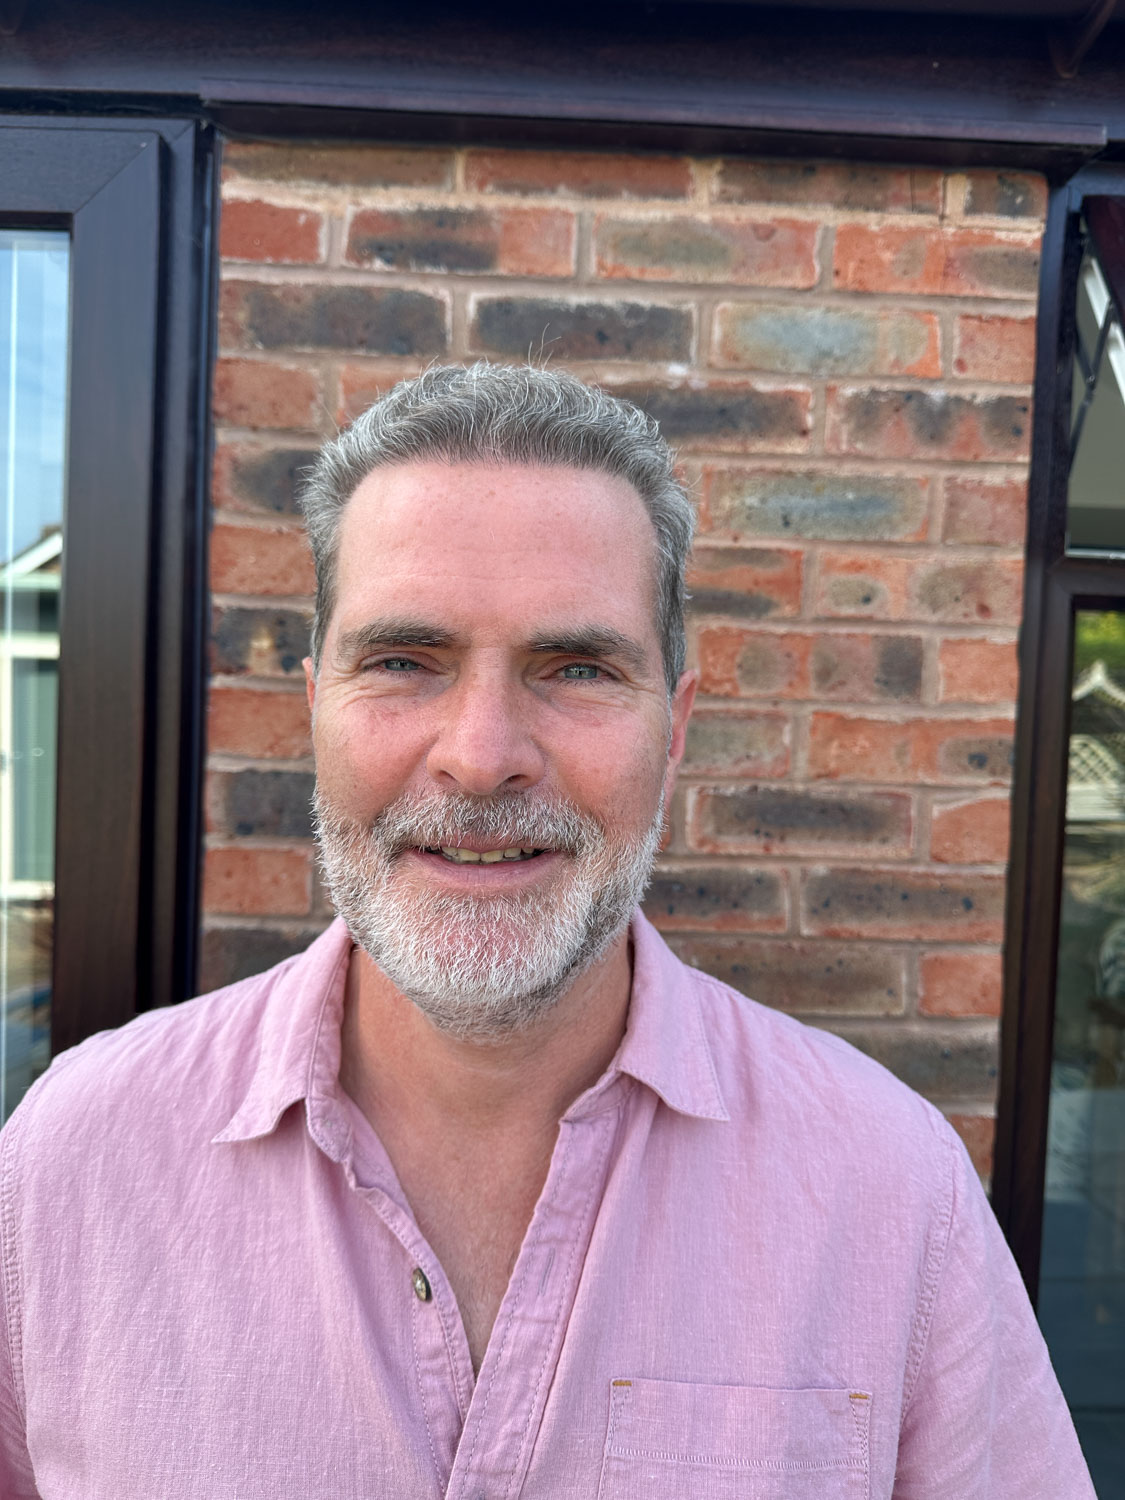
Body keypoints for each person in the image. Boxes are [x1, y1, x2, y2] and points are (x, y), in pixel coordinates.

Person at [0, 364, 1094, 1497]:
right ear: (312, 702)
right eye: (404, 661)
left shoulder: (892, 1196)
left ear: (675, 728)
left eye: (576, 667)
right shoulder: (71, 1167)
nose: (483, 755)